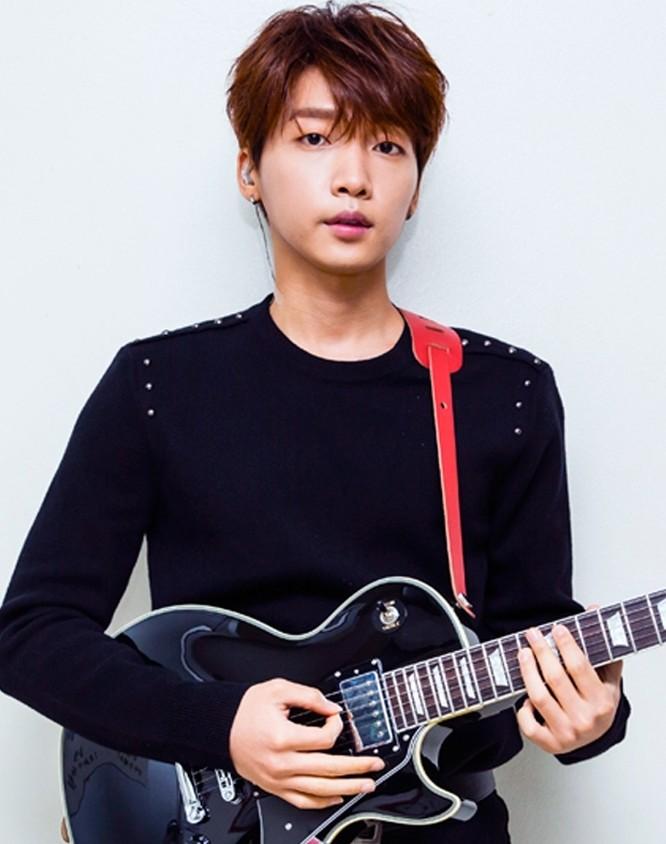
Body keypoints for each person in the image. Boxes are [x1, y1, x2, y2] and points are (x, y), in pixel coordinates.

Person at [0, 2, 630, 842]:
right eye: (315, 137)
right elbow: (30, 634)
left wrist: (592, 718)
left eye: (388, 146)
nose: (354, 178)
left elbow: (531, 638)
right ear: (249, 170)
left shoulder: (503, 392)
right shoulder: (158, 385)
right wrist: (218, 725)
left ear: (416, 185)